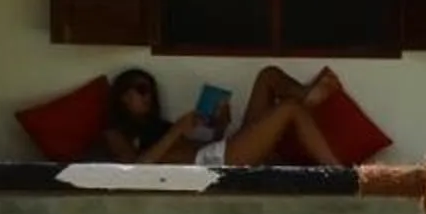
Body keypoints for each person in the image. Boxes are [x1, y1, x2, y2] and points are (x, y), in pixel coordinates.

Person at [99, 66, 351, 169]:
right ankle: (339, 172)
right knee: (289, 109)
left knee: (268, 76)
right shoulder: (116, 131)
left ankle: (307, 94)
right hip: (217, 161)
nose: (148, 97)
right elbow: (133, 168)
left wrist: (221, 126)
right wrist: (176, 130)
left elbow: (195, 148)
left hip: (218, 150)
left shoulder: (155, 126)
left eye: (150, 91)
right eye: (141, 91)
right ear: (123, 96)